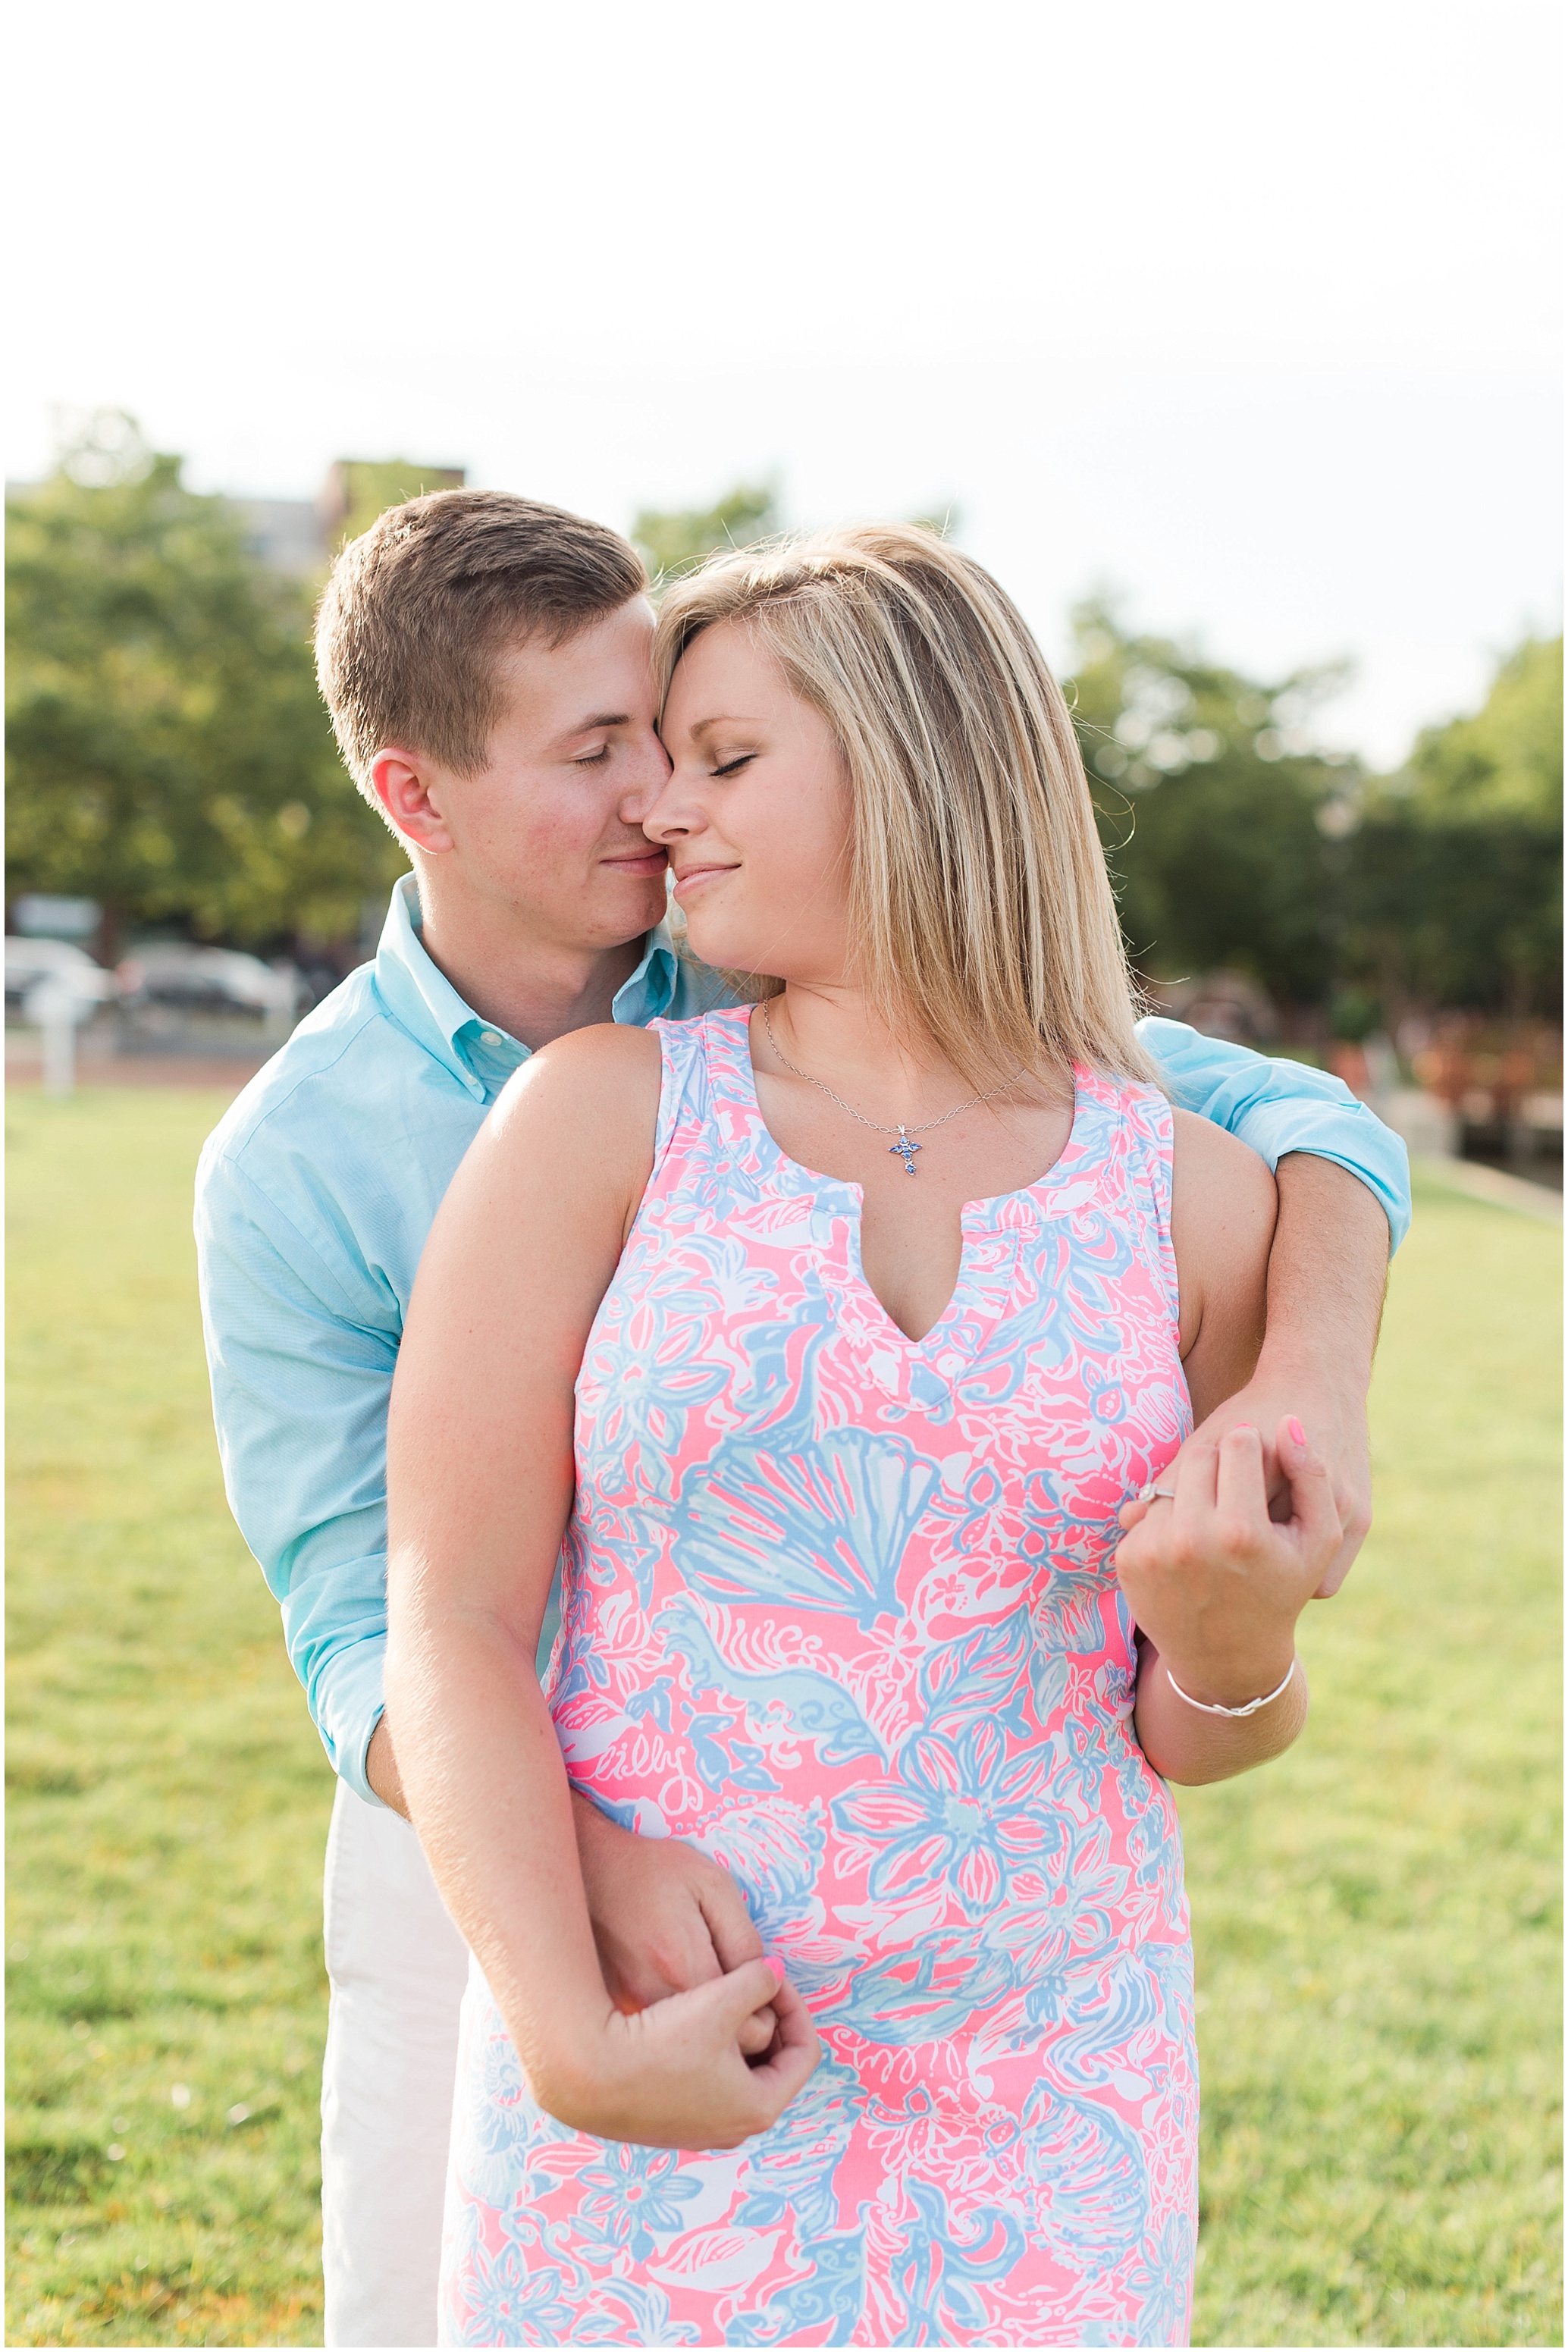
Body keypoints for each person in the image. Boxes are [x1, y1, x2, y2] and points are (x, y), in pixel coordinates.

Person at [195, 491, 1406, 2348]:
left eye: (695, 750)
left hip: (1038, 2058)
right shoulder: (388, 1145)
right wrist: (576, 1968)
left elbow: (1303, 1129)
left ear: (912, 773)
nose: (656, 804)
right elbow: (390, 1615)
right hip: (515, 1854)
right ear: (415, 798)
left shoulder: (1143, 1158)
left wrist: (1285, 1464)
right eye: (607, 753)